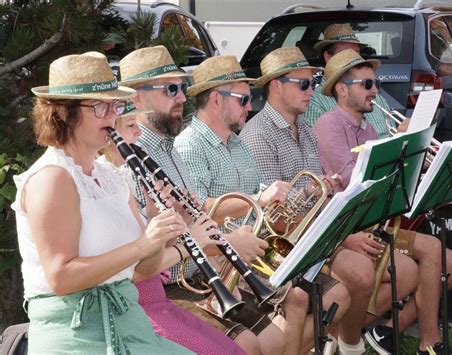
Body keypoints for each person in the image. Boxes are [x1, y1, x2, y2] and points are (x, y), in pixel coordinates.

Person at [239, 47, 418, 355]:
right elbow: (278, 219)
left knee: (399, 272)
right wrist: (344, 239)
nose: (311, 92)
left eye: (313, 82)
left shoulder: (306, 129)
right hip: (287, 247)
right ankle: (349, 343)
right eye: (304, 84)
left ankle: (343, 337)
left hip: (316, 236)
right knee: (360, 275)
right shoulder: (258, 135)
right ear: (276, 86)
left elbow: (322, 197)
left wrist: (341, 228)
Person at [12, 51, 192, 354]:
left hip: (128, 323)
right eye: (99, 106)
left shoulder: (111, 176)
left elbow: (140, 270)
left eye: (114, 105)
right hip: (76, 334)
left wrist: (166, 230)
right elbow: (61, 277)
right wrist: (142, 244)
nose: (111, 115)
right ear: (62, 112)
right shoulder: (52, 178)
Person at [175, 54, 353, 355]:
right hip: (218, 259)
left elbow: (265, 199)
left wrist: (297, 196)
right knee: (297, 300)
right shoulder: (190, 144)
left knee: (337, 295)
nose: (250, 107)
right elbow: (196, 211)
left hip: (254, 249)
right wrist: (258, 200)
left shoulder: (237, 141)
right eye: (243, 100)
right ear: (217, 99)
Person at [119, 45, 284, 355]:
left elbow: (195, 220)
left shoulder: (170, 151)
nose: (182, 97)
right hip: (166, 288)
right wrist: (221, 242)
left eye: (181, 88)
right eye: (171, 89)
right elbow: (144, 254)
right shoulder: (129, 159)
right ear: (135, 98)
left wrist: (198, 227)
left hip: (195, 273)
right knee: (248, 344)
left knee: (274, 339)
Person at [314, 48, 452, 355]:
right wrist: (395, 142)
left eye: (375, 83)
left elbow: (388, 184)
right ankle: (422, 341)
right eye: (367, 84)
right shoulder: (329, 125)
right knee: (430, 255)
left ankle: (398, 335)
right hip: (352, 230)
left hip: (375, 224)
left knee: (448, 260)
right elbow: (352, 180)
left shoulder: (365, 126)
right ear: (342, 90)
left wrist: (415, 159)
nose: (376, 90)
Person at [99, 103, 246, 355]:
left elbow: (150, 250)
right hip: (140, 307)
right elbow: (139, 269)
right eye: (132, 126)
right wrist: (190, 245)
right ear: (108, 135)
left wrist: (169, 216)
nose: (139, 134)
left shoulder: (118, 177)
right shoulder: (108, 181)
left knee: (235, 351)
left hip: (156, 299)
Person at [304, 23, 405, 138]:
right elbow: (324, 148)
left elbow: (390, 132)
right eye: (346, 53)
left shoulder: (376, 97)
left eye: (357, 53)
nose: (354, 59)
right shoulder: (315, 102)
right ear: (328, 57)